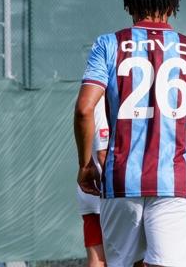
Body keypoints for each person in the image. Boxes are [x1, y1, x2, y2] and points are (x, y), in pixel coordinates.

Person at [74, 0, 186, 267]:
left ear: (129, 7)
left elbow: (84, 109)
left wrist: (85, 165)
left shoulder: (108, 44)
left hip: (119, 182)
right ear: (172, 7)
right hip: (173, 182)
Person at [75, 97, 109, 267]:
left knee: (97, 258)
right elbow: (102, 152)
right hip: (107, 191)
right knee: (127, 257)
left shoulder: (87, 95)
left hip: (92, 193)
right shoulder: (100, 99)